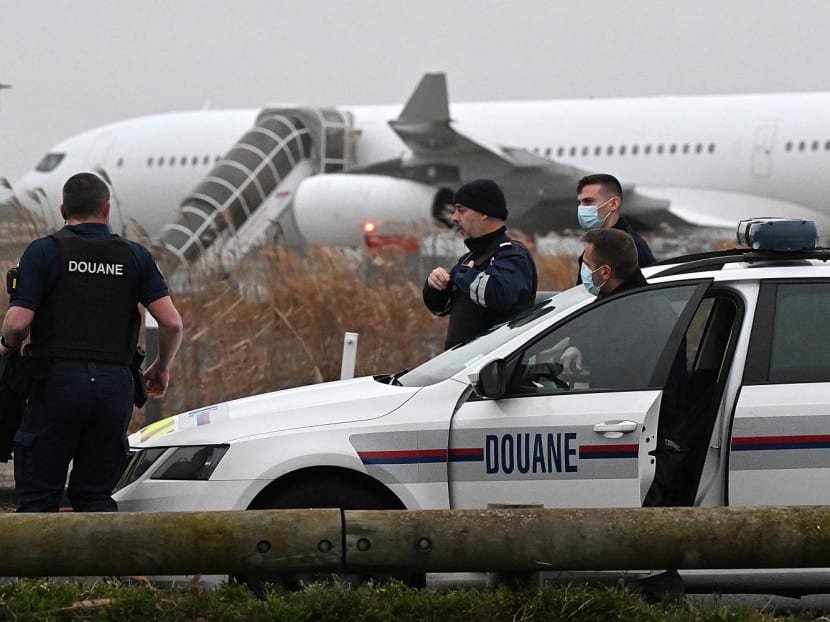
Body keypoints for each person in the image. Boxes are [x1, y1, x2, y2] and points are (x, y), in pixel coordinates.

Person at [0, 172, 183, 513]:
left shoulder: (44, 252)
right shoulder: (135, 256)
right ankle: (102, 567)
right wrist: (161, 368)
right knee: (95, 496)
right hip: (115, 387)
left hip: (55, 383)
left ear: (62, 208)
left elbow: (18, 322)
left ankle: (37, 568)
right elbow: (172, 322)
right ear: (106, 208)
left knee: (39, 499)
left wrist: (7, 348)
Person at [423, 179, 537, 350]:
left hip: (494, 367)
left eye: (461, 210)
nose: (454, 218)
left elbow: (499, 294)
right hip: (461, 365)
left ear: (484, 213)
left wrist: (463, 275)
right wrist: (436, 286)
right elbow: (442, 308)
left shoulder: (512, 255)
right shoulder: (469, 258)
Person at [575, 173, 656, 284]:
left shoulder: (631, 247)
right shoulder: (596, 245)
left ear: (613, 204)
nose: (581, 209)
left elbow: (649, 293)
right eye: (579, 203)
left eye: (588, 202)